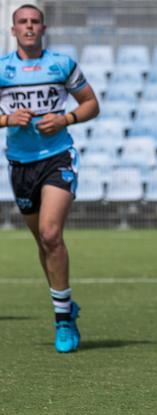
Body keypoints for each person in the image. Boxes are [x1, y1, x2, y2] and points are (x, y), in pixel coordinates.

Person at [2, 4, 100, 352]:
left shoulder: (61, 64)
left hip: (58, 157)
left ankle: (62, 320)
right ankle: (65, 304)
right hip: (20, 163)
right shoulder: (3, 69)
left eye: (34, 21)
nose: (28, 27)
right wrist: (7, 119)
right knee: (43, 243)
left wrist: (65, 119)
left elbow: (91, 103)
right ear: (13, 30)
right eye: (22, 22)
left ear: (43, 28)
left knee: (50, 233)